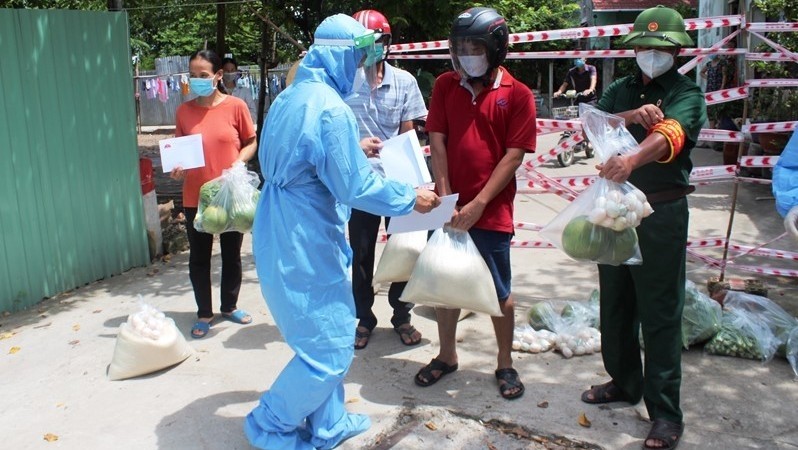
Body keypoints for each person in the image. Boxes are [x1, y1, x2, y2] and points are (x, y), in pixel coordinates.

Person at [245, 14, 440, 450]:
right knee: (329, 349)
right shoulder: (331, 109)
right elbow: (356, 186)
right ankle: (269, 424)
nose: (362, 70)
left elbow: (306, 159)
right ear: (341, 56)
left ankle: (328, 423)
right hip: (306, 236)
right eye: (358, 59)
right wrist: (411, 198)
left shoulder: (290, 96)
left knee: (317, 334)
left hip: (282, 226)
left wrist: (354, 150)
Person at [579, 6, 707, 450]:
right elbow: (591, 122)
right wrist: (630, 116)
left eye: (660, 48)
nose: (651, 55)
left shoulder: (687, 92)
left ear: (675, 51)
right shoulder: (621, 86)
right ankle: (623, 382)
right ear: (634, 49)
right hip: (614, 210)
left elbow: (671, 133)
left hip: (661, 213)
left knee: (659, 313)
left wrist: (632, 158)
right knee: (614, 300)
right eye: (644, 48)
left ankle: (666, 413)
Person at [413, 7, 537, 401]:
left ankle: (504, 362)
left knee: (500, 292)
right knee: (444, 286)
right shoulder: (447, 86)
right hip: (449, 207)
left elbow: (514, 154)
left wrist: (480, 204)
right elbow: (437, 140)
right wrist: (447, 198)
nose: (467, 54)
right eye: (461, 47)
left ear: (496, 48)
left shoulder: (517, 94)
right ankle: (446, 355)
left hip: (492, 211)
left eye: (474, 46)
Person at [345, 9, 429, 350]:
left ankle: (401, 314)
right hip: (361, 185)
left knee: (406, 250)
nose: (370, 49)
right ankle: (364, 317)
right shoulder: (343, 82)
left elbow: (408, 135)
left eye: (376, 42)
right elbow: (333, 133)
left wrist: (413, 181)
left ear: (388, 43)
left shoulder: (405, 82)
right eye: (363, 44)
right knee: (360, 254)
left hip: (397, 182)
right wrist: (356, 147)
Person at [171, 49, 257, 339]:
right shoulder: (184, 112)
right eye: (193, 76)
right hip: (197, 196)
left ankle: (229, 306)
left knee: (232, 254)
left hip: (230, 195)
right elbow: (179, 152)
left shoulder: (236, 107)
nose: (197, 80)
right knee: (199, 258)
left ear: (219, 75)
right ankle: (204, 313)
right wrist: (177, 169)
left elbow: (250, 141)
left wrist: (239, 160)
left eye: (203, 76)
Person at [222, 57, 257, 123]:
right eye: (227, 70)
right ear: (221, 71)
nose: (229, 72)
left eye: (232, 70)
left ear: (236, 71)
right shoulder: (217, 91)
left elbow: (252, 110)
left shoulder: (244, 91)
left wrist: (244, 121)